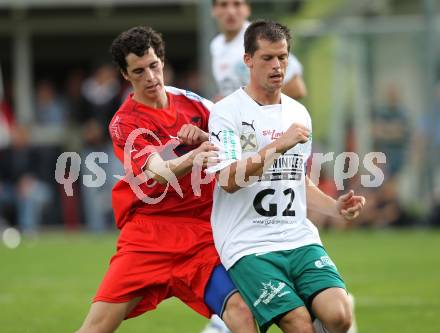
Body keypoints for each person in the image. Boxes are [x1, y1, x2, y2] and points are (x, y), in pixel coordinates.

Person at [76, 26, 256, 333]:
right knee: (96, 328)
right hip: (148, 238)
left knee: (242, 315)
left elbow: (242, 143)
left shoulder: (196, 104)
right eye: (138, 71)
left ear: (163, 60)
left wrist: (205, 136)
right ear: (124, 74)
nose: (149, 77)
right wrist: (194, 155)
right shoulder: (124, 122)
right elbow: (158, 174)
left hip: (200, 236)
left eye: (153, 66)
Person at [207, 20, 365, 333]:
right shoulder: (226, 112)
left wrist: (335, 207)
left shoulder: (298, 113)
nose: (277, 66)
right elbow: (227, 178)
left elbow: (299, 181)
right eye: (267, 58)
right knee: (299, 324)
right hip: (248, 244)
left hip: (298, 237)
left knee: (340, 316)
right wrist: (278, 145)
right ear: (248, 60)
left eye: (283, 57)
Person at [210, 0, 306, 100]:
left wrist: (247, 105)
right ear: (214, 10)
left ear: (247, 9)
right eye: (223, 5)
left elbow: (296, 89)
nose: (231, 11)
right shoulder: (216, 45)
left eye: (237, 4)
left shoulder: (261, 38)